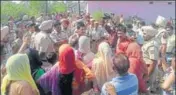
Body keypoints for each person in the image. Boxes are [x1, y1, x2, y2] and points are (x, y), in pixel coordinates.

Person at [141, 26, 159, 92]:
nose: (143, 35)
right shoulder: (148, 42)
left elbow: (153, 62)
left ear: (150, 34)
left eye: (145, 34)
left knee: (147, 90)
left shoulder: (152, 45)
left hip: (149, 71)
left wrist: (147, 75)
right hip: (146, 69)